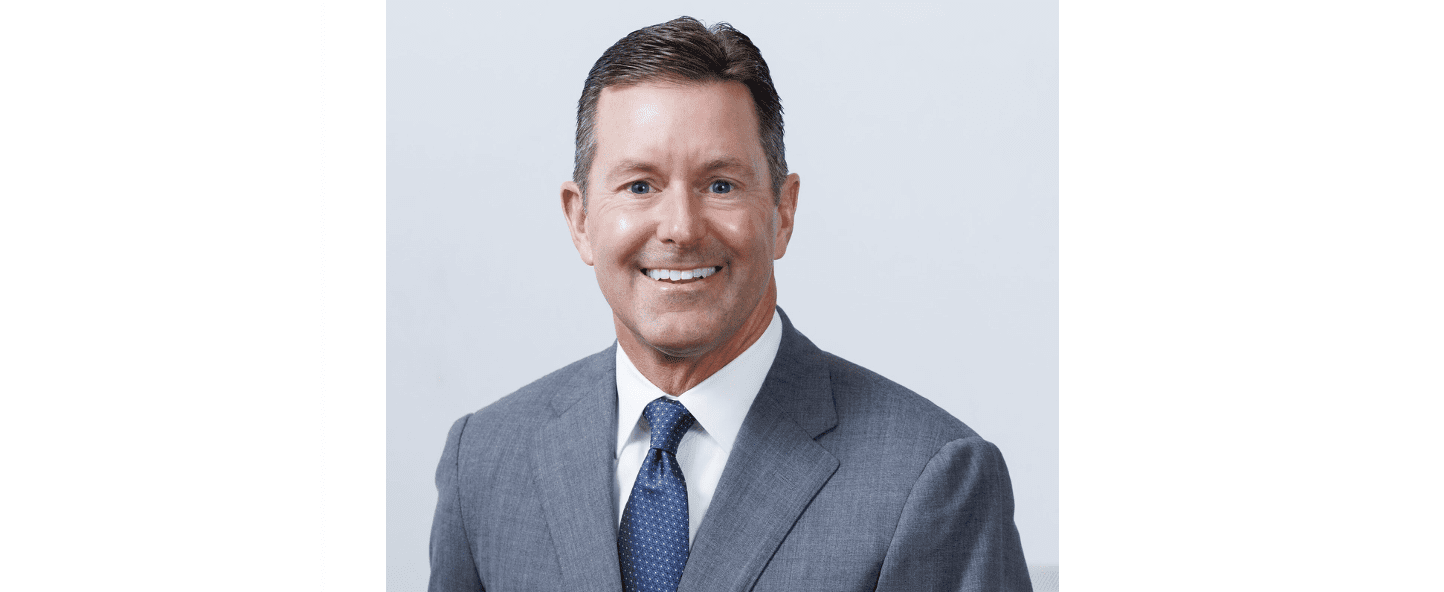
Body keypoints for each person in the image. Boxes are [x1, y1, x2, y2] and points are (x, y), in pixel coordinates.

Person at [429, 16, 1032, 592]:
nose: (680, 228)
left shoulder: (929, 477)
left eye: (720, 185)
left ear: (783, 213)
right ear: (580, 220)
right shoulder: (483, 460)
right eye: (639, 186)